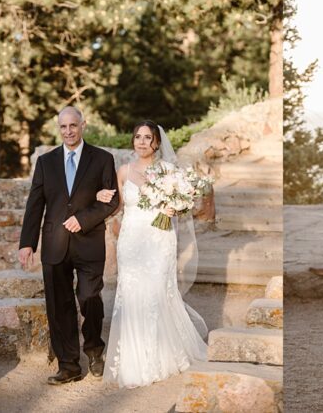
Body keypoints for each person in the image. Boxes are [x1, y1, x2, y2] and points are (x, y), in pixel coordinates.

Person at [94, 121, 208, 388]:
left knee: (157, 291)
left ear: (156, 142)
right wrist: (99, 197)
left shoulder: (168, 170)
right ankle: (135, 359)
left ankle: (161, 355)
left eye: (148, 137)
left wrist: (175, 208)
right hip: (131, 240)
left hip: (159, 238)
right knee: (132, 293)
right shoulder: (123, 171)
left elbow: (182, 202)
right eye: (138, 137)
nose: (142, 142)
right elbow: (117, 206)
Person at [18, 106, 120, 384]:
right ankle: (68, 365)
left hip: (89, 242)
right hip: (55, 243)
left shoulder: (102, 159)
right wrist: (27, 243)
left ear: (83, 125)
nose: (68, 131)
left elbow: (112, 200)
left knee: (89, 297)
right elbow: (35, 204)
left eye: (73, 125)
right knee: (58, 304)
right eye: (63, 127)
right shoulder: (45, 162)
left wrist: (83, 219)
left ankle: (95, 350)